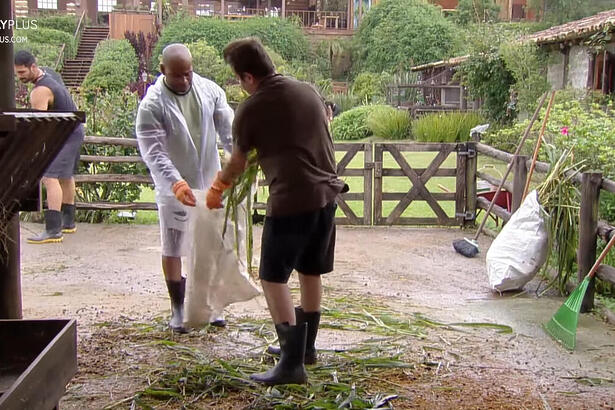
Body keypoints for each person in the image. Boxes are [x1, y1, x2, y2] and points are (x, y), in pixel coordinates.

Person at [206, 38, 346, 385]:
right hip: (327, 196)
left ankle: (290, 363)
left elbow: (237, 163)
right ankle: (306, 349)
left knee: (272, 277)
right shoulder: (307, 90)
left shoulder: (251, 108)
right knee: (310, 271)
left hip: (292, 202)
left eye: (239, 78)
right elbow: (310, 134)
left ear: (248, 76)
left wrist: (217, 187)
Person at [135, 44, 234, 333]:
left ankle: (211, 305)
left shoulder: (210, 90)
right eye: (178, 75)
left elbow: (227, 130)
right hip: (173, 185)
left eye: (188, 73)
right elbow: (153, 151)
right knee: (173, 245)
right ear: (163, 70)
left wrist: (238, 157)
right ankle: (177, 308)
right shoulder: (152, 104)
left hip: (209, 182)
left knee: (212, 244)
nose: (185, 80)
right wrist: (175, 182)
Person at [14, 50, 85, 244]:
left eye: (22, 73)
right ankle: (68, 223)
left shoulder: (39, 91)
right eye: (17, 73)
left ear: (33, 67)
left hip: (66, 134)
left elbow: (39, 126)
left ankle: (53, 230)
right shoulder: (49, 74)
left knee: (49, 176)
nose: (19, 77)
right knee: (65, 176)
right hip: (74, 129)